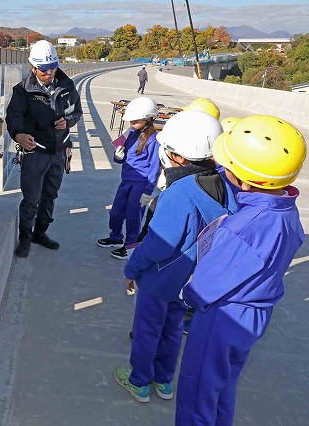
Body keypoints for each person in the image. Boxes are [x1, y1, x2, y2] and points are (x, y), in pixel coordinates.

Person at [176, 115, 306, 425]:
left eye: (228, 167)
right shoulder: (287, 212)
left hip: (223, 317)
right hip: (254, 314)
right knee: (222, 386)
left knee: (197, 392)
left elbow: (204, 287)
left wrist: (186, 296)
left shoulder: (244, 228)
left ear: (246, 181)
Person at [113, 110, 238, 403]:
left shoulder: (179, 193)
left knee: (147, 330)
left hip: (159, 279)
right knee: (172, 330)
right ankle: (164, 381)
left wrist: (131, 269)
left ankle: (139, 382)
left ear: (178, 156)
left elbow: (157, 245)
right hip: (189, 281)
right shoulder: (225, 186)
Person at [6, 40, 83, 258]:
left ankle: (40, 233)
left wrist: (68, 121)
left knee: (50, 194)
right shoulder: (22, 91)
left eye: (52, 68)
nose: (49, 73)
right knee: (31, 197)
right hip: (36, 152)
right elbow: (13, 117)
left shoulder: (67, 86)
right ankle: (25, 236)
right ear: (33, 67)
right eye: (43, 70)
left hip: (59, 151)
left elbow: (77, 111)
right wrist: (18, 135)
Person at [97, 96, 160, 260]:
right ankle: (115, 237)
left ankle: (130, 245)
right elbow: (120, 157)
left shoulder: (154, 140)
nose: (131, 123)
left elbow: (155, 167)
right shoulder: (131, 133)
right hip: (126, 181)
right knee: (116, 212)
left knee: (134, 216)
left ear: (148, 119)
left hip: (140, 185)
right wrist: (118, 156)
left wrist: (148, 191)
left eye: (135, 120)